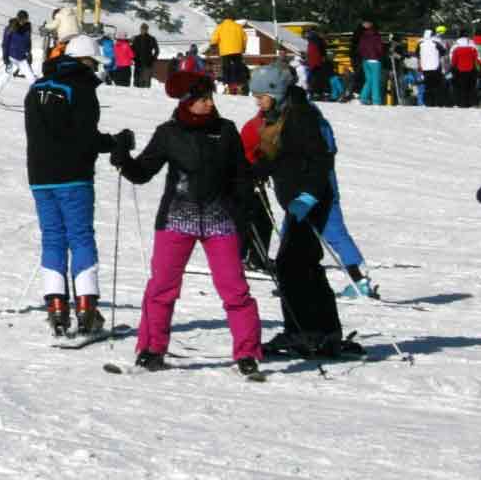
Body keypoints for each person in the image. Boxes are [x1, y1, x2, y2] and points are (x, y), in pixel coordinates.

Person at [113, 69, 262, 376]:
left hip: (220, 219)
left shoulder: (226, 130)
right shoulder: (168, 133)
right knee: (162, 287)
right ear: (186, 102)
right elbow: (142, 173)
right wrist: (122, 158)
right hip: (176, 219)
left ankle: (247, 353)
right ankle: (152, 349)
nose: (210, 103)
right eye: (202, 99)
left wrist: (245, 212)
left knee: (235, 289)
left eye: (210, 98)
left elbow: (241, 176)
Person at [247, 65, 358, 356]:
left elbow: (320, 159)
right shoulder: (282, 115)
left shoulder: (301, 116)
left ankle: (303, 332)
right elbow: (281, 158)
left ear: (275, 92)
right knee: (304, 265)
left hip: (309, 201)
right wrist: (254, 173)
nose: (257, 101)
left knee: (291, 265)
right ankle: (323, 332)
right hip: (298, 201)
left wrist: (309, 195)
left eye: (260, 95)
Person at [24, 34, 130, 336]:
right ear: (85, 60)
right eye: (94, 63)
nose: (95, 69)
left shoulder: (36, 87)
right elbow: (85, 137)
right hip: (73, 175)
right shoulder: (81, 88)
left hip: (40, 177)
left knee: (53, 239)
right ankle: (86, 310)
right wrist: (114, 142)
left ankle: (56, 309)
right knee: (81, 237)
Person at [0, 11, 33, 103]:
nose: (23, 22)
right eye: (21, 19)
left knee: (31, 78)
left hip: (22, 58)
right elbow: (5, 43)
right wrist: (5, 57)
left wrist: (29, 53)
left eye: (25, 19)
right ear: (18, 18)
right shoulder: (11, 27)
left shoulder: (27, 28)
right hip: (12, 57)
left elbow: (28, 42)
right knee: (5, 77)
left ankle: (37, 98)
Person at [356, 20, 385, 105]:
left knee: (369, 80)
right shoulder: (376, 36)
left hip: (365, 60)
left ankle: (363, 98)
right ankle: (376, 100)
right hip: (375, 60)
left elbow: (360, 48)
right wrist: (380, 55)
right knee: (375, 81)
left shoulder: (363, 36)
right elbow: (380, 49)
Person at [417, 29, 448, 108]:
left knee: (428, 86)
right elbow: (443, 52)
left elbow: (417, 54)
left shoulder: (420, 43)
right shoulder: (435, 43)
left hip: (425, 68)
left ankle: (429, 102)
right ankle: (438, 102)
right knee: (437, 85)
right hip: (436, 67)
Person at [451, 29, 478, 108]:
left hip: (460, 70)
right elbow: (476, 57)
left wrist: (453, 68)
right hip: (471, 69)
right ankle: (472, 102)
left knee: (461, 87)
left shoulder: (456, 45)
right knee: (471, 86)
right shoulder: (472, 44)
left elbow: (453, 60)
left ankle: (462, 103)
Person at [304, 27, 331, 99]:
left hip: (312, 61)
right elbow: (322, 50)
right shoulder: (318, 39)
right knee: (318, 77)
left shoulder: (312, 39)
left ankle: (313, 92)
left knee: (314, 77)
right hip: (317, 61)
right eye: (325, 35)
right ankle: (317, 93)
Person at [132, 23, 159, 89]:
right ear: (140, 29)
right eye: (142, 28)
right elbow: (132, 49)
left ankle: (146, 94)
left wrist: (153, 59)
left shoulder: (151, 38)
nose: (143, 30)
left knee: (146, 83)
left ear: (147, 30)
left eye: (145, 29)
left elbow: (157, 50)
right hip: (138, 63)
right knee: (136, 82)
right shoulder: (136, 38)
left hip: (147, 63)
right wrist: (133, 58)